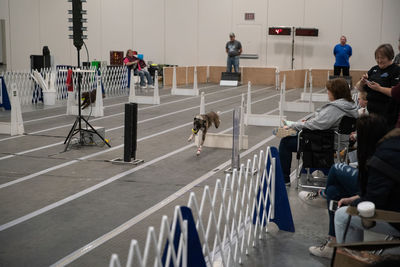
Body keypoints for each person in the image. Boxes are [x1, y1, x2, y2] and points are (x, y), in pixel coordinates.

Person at [278, 78, 358, 186]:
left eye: (328, 91)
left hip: (325, 142)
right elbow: (321, 122)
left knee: (285, 142)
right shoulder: (350, 106)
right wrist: (306, 122)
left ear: (335, 92)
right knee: (299, 131)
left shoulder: (336, 108)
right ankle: (290, 131)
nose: (327, 92)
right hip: (335, 139)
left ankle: (284, 179)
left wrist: (294, 124)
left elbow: (316, 125)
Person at [334, 115, 400, 244]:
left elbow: (374, 201)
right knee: (333, 190)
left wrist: (354, 203)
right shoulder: (392, 146)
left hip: (395, 217)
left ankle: (349, 260)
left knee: (342, 215)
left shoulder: (381, 159)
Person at [356, 44, 400, 128]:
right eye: (377, 58)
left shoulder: (396, 70)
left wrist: (379, 88)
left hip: (387, 115)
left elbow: (395, 92)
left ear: (390, 57)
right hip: (372, 114)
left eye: (382, 58)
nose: (379, 60)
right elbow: (359, 88)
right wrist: (362, 82)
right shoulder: (374, 69)